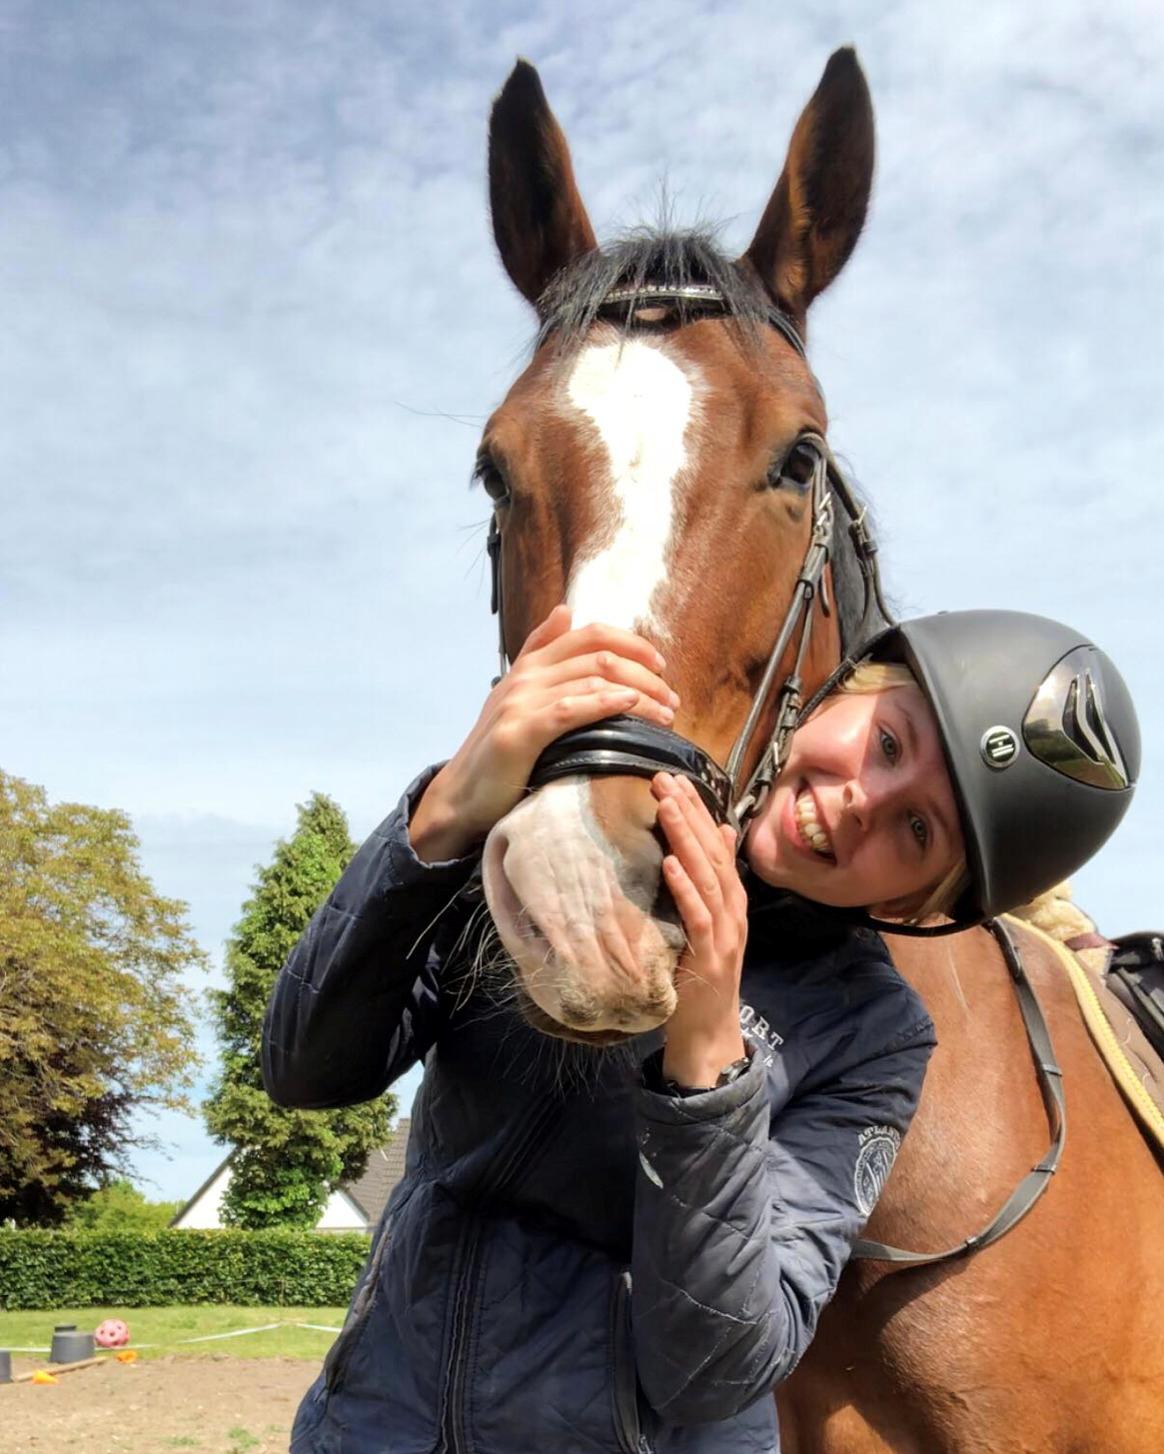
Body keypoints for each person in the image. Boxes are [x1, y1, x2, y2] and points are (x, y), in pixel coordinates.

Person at [264, 604, 1138, 1454]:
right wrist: (448, 809)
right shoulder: (565, 824)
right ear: (837, 690)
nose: (860, 803)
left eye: (918, 828)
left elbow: (714, 1372)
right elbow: (307, 1067)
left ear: (915, 903)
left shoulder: (876, 1036)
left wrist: (707, 1059)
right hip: (374, 1428)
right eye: (887, 742)